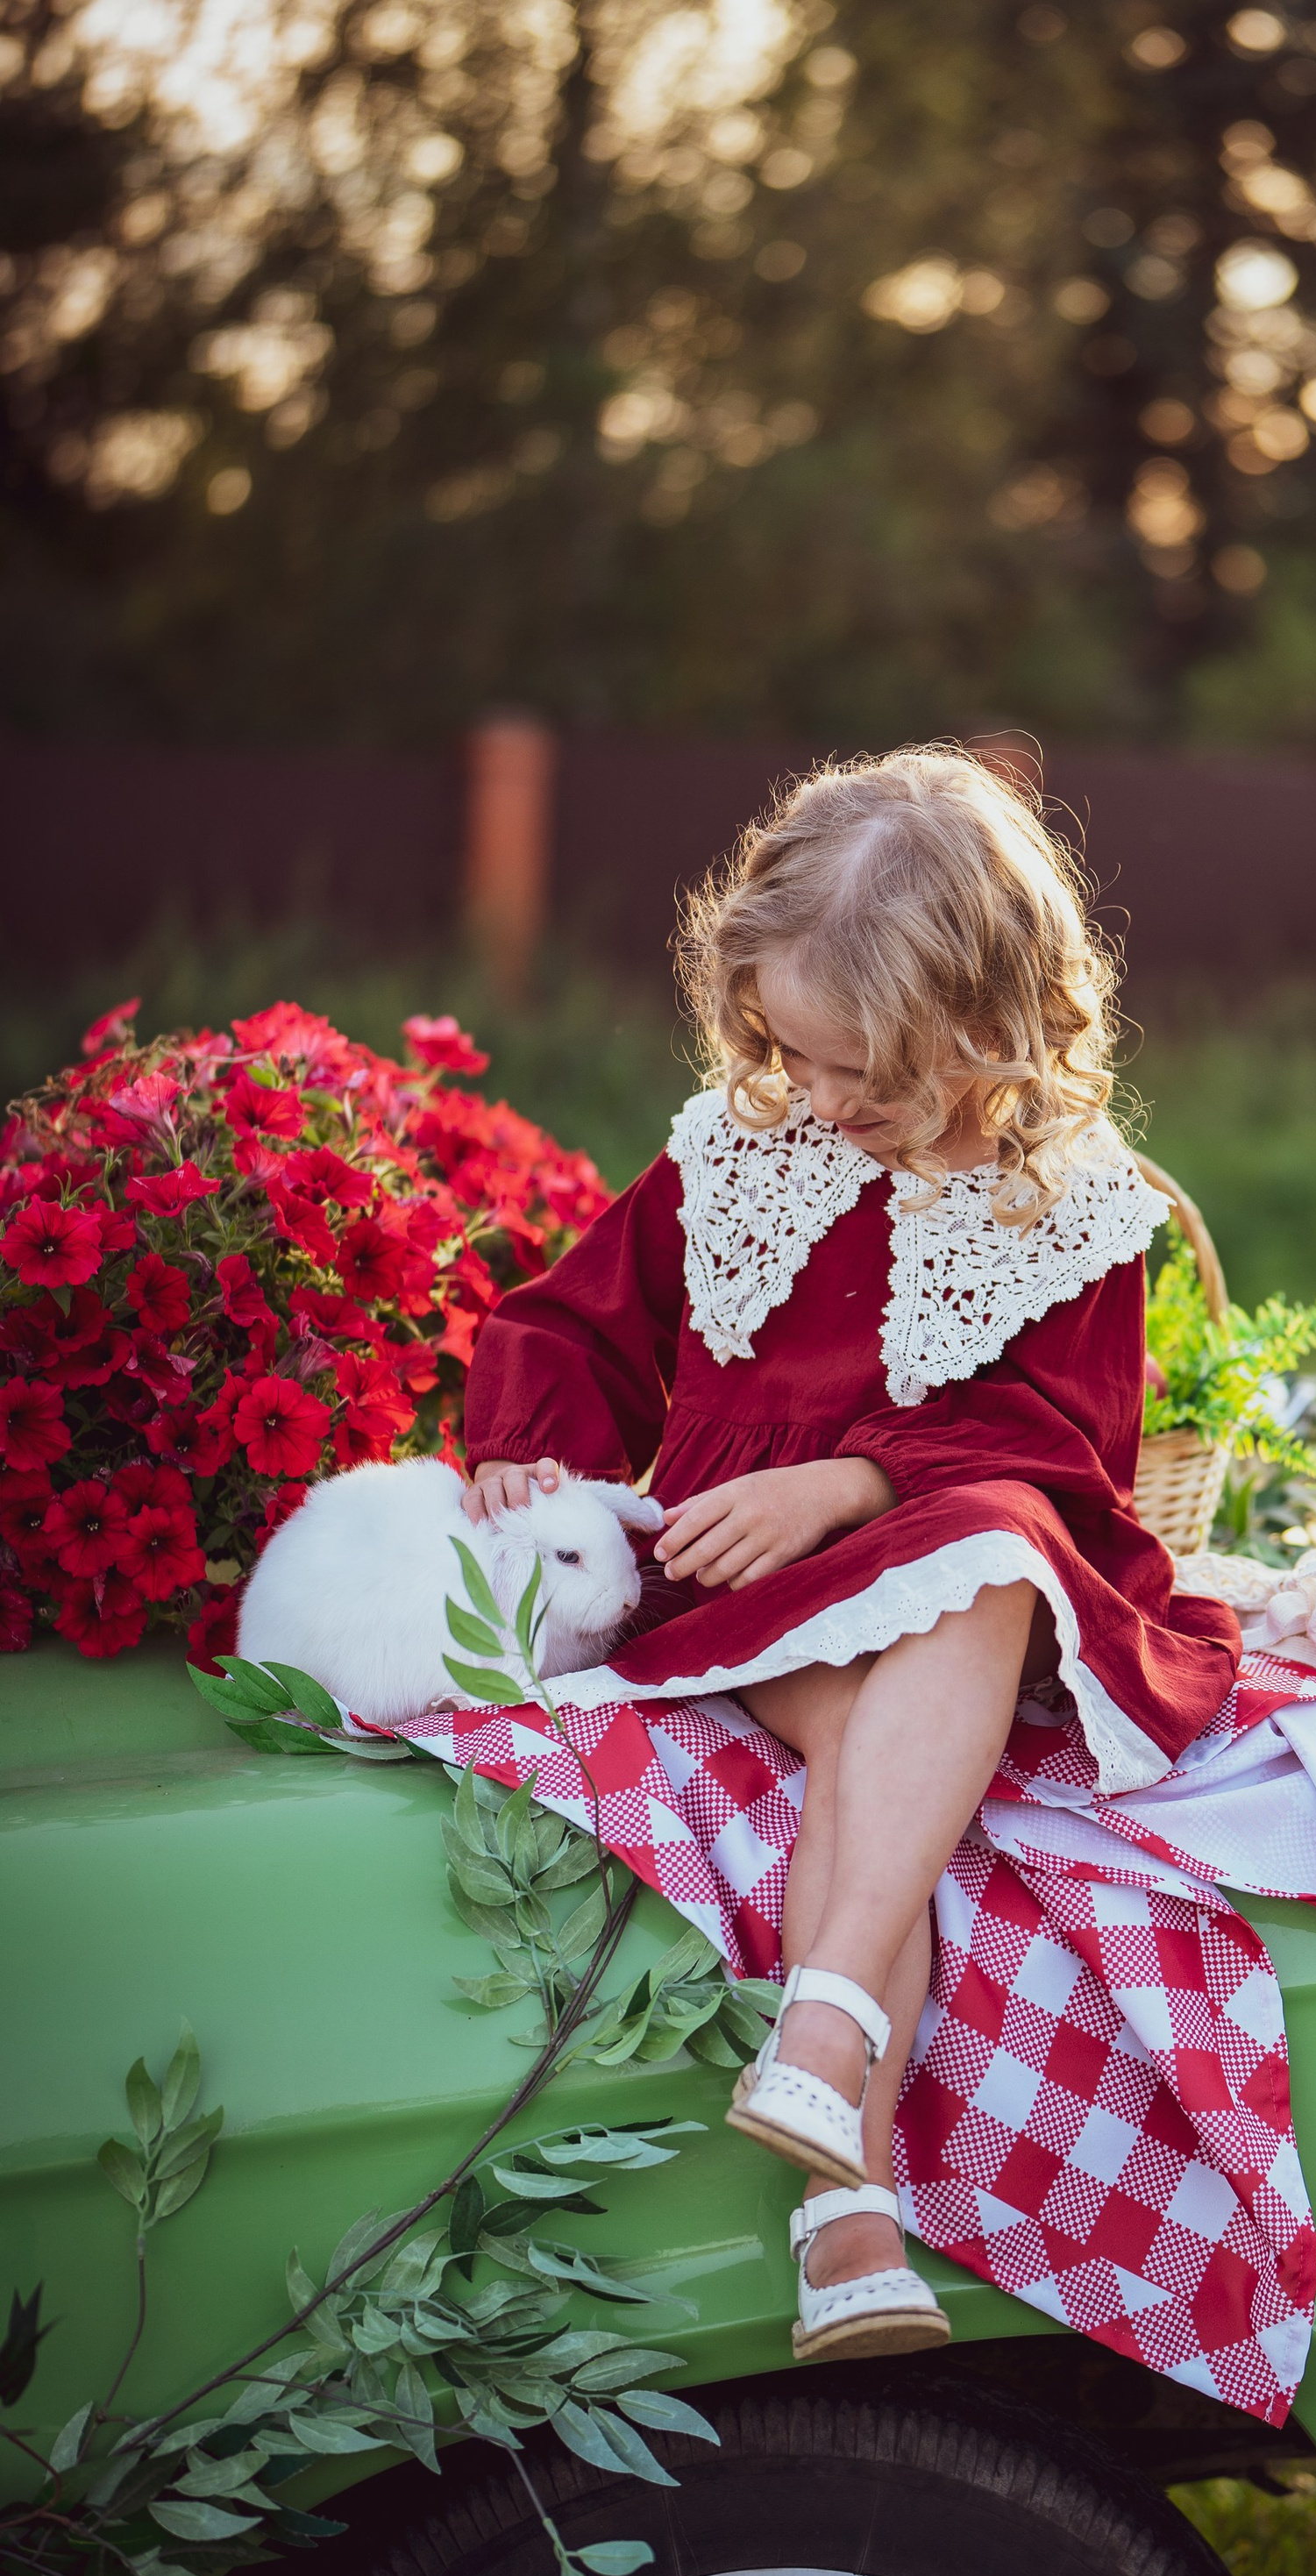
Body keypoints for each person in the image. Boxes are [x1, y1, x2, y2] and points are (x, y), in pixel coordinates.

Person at [459, 748, 1237, 2364]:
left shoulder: (1067, 1206)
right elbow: (571, 1319)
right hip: (745, 1599)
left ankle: (831, 2117)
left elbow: (1066, 1456)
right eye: (790, 1054)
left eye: (857, 1070)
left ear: (987, 1019)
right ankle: (848, 2194)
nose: (818, 1100)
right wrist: (531, 1442)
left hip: (954, 1594)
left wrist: (852, 1480)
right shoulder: (745, 1154)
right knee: (896, 1758)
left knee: (994, 1569)